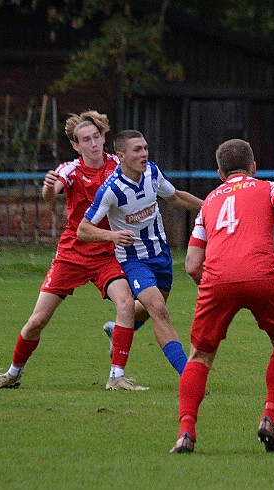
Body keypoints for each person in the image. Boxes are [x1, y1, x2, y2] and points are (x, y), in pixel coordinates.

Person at [169, 138, 274, 454]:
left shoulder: (208, 201)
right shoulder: (268, 187)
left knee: (200, 356)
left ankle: (185, 433)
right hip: (263, 274)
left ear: (220, 173)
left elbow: (192, 264)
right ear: (253, 168)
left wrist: (211, 287)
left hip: (217, 280)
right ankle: (269, 417)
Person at [0, 110, 148, 391]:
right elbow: (51, 193)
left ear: (104, 138)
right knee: (37, 321)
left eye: (96, 137)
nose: (93, 144)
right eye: (86, 140)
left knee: (126, 304)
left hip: (107, 252)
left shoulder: (119, 164)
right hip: (72, 254)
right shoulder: (70, 170)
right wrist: (47, 187)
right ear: (75, 145)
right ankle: (12, 374)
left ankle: (116, 377)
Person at [77, 130, 203, 375]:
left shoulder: (152, 173)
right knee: (159, 311)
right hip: (134, 260)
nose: (144, 153)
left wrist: (208, 206)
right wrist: (112, 236)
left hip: (161, 255)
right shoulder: (111, 190)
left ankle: (119, 328)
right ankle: (188, 374)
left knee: (151, 307)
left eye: (145, 148)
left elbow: (175, 197)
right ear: (121, 156)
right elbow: (83, 230)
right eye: (137, 150)